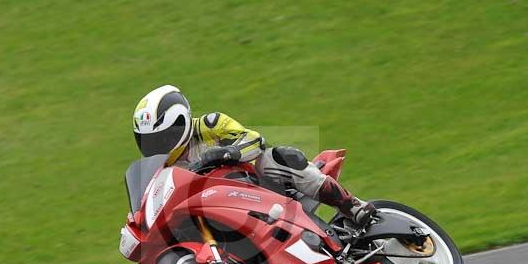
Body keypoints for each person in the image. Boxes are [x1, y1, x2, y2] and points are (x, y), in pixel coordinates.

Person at [132, 85, 375, 226]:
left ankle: (351, 205)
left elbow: (254, 141)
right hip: (216, 207)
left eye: (161, 138)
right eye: (149, 142)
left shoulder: (210, 124)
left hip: (256, 186)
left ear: (181, 123)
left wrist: (227, 152)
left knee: (274, 156)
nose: (157, 147)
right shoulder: (160, 170)